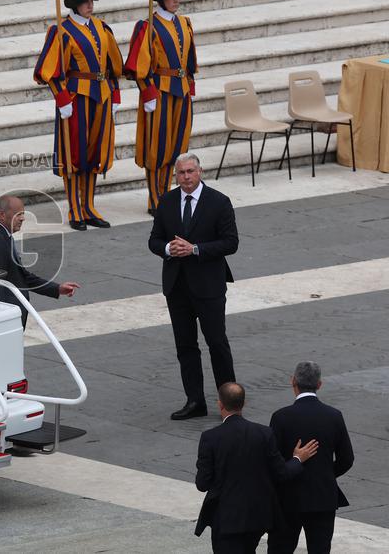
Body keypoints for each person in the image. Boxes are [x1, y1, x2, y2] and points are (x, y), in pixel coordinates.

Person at [34, 0, 124, 231]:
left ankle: (89, 206)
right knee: (75, 154)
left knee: (95, 154)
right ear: (74, 0)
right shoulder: (61, 32)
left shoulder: (102, 28)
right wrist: (62, 99)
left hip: (101, 96)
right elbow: (48, 71)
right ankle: (75, 207)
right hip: (75, 100)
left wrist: (115, 95)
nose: (90, 4)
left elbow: (113, 67)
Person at [148, 152, 238, 420]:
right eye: (181, 173)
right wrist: (168, 248)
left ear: (200, 172)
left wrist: (195, 249)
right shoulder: (166, 201)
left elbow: (231, 243)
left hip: (208, 286)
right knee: (185, 346)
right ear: (175, 175)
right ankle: (195, 401)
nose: (186, 177)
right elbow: (154, 240)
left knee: (217, 343)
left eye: (190, 171)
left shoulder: (219, 202)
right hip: (177, 286)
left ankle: (229, 403)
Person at [196, 383, 319, 554]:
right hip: (256, 517)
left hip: (226, 518)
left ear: (220, 404)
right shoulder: (263, 433)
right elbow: (281, 473)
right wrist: (298, 459)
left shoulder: (210, 438)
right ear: (244, 403)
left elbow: (202, 483)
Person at [125, 0, 199, 215]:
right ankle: (155, 199)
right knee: (158, 149)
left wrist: (190, 87)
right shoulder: (148, 26)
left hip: (182, 92)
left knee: (178, 147)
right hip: (160, 92)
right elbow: (137, 64)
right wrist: (147, 92)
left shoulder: (185, 23)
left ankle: (170, 195)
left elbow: (189, 63)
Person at [268, 362, 355, 554]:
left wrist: (294, 463)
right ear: (319, 384)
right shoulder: (334, 416)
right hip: (322, 497)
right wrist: (324, 473)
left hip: (287, 498)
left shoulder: (281, 417)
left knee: (280, 548)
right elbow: (347, 459)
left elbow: (272, 461)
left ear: (293, 382)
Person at [0, 195, 80, 328]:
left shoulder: (3, 236)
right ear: (2, 215)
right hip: (6, 316)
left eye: (23, 214)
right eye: (18, 214)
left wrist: (57, 289)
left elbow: (20, 275)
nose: (23, 218)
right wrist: (2, 317)